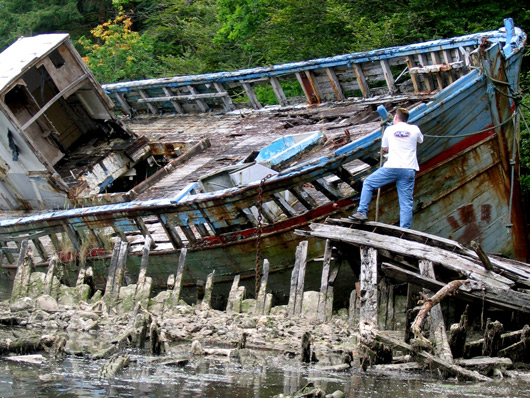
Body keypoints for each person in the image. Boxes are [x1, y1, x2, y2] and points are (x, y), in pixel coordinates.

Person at [349, 107, 423, 228]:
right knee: (406, 204)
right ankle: (404, 230)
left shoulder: (389, 130)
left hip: (392, 168)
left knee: (368, 183)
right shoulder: (414, 129)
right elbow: (420, 140)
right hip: (409, 169)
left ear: (395, 118)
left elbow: (384, 149)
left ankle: (362, 212)